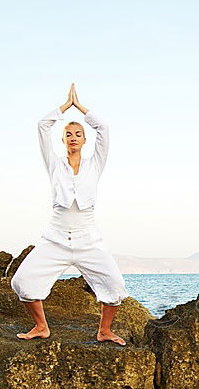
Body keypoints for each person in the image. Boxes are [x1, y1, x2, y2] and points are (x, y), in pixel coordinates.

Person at [11, 83, 128, 345]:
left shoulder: (94, 165)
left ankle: (104, 331)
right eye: (69, 134)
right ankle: (41, 326)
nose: (73, 137)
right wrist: (65, 107)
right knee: (22, 282)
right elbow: (43, 125)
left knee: (115, 287)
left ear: (84, 141)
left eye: (78, 134)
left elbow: (104, 129)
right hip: (55, 239)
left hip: (89, 240)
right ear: (63, 140)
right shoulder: (54, 165)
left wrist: (81, 108)